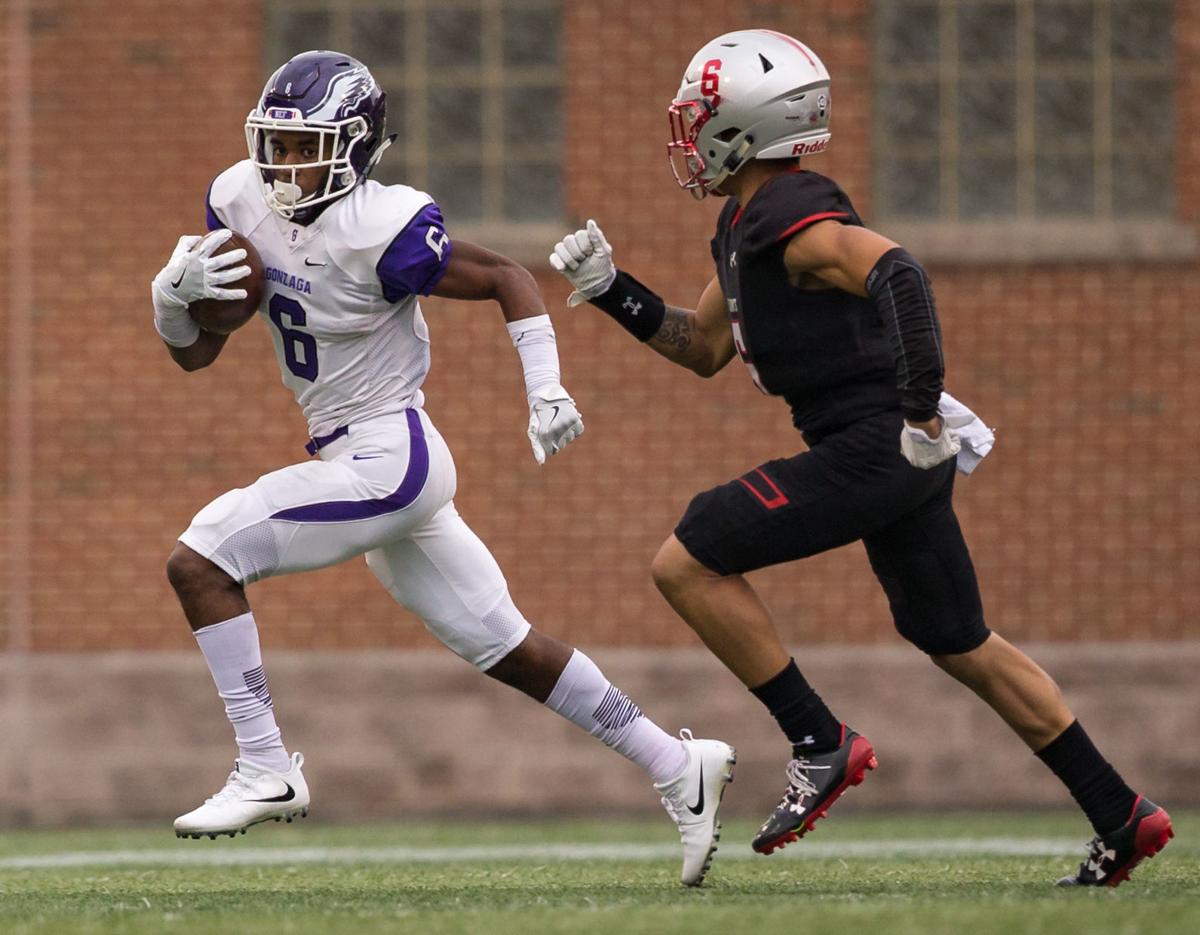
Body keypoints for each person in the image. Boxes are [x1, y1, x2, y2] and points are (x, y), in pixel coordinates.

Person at [549, 29, 1173, 888]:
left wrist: (919, 409)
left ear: (741, 126)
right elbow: (699, 347)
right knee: (956, 638)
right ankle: (1123, 812)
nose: (687, 135)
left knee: (690, 555)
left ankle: (818, 739)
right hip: (891, 450)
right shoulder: (744, 223)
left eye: (698, 117)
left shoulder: (787, 214)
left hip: (880, 444)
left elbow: (900, 275)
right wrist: (613, 290)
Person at [149, 50, 734, 887]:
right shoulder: (240, 198)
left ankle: (265, 764)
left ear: (355, 148)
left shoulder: (383, 225)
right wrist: (169, 302)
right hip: (352, 453)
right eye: (274, 146)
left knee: (202, 557)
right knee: (508, 647)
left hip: (391, 454)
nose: (283, 167)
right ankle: (681, 763)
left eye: (305, 146)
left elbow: (505, 274)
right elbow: (199, 355)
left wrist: (546, 388)